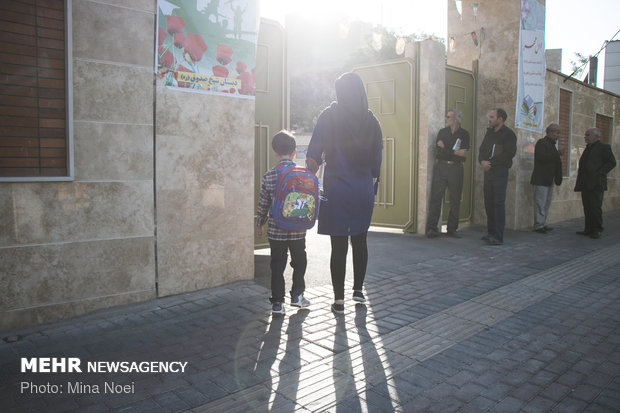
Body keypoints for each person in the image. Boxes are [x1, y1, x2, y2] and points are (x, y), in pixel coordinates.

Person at [306, 72, 383, 314]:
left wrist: (309, 178)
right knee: (360, 240)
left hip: (337, 188)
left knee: (338, 245)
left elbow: (312, 157)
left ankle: (339, 301)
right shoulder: (373, 122)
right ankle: (358, 291)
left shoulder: (329, 116)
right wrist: (372, 190)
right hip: (362, 188)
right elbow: (377, 164)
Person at [256, 131, 311, 314]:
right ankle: (297, 295)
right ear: (294, 152)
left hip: (276, 229)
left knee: (277, 264)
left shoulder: (269, 175)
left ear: (274, 152)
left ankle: (277, 303)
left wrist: (259, 223)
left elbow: (264, 203)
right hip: (297, 229)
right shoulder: (302, 173)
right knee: (299, 260)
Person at [426, 109, 470, 238]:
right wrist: (453, 152)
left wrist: (446, 149)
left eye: (448, 117)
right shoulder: (442, 132)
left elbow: (463, 154)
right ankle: (432, 228)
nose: (446, 119)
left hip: (456, 169)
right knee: (436, 197)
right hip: (441, 167)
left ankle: (452, 229)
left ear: (455, 119)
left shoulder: (464, 134)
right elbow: (439, 152)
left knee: (455, 199)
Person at [478, 108, 517, 245]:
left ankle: (498, 236)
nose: (489, 119)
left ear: (500, 119)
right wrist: (482, 161)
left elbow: (508, 154)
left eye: (492, 117)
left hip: (500, 172)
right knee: (489, 203)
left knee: (498, 203)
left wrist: (491, 164)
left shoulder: (509, 135)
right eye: (490, 117)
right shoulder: (489, 133)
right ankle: (490, 233)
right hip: (488, 172)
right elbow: (482, 150)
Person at [574, 127, 616, 239]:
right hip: (585, 182)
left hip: (596, 183)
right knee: (587, 206)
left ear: (596, 136)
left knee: (595, 207)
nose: (585, 137)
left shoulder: (604, 147)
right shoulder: (588, 148)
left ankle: (596, 229)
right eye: (585, 135)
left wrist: (600, 173)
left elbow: (612, 162)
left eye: (588, 135)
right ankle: (588, 229)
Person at [530, 123, 563, 233]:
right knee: (540, 202)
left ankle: (542, 223)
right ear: (550, 132)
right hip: (541, 179)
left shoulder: (552, 145)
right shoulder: (542, 143)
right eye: (557, 133)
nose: (558, 135)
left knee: (546, 203)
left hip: (549, 179)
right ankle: (538, 225)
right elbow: (542, 158)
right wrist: (557, 154)